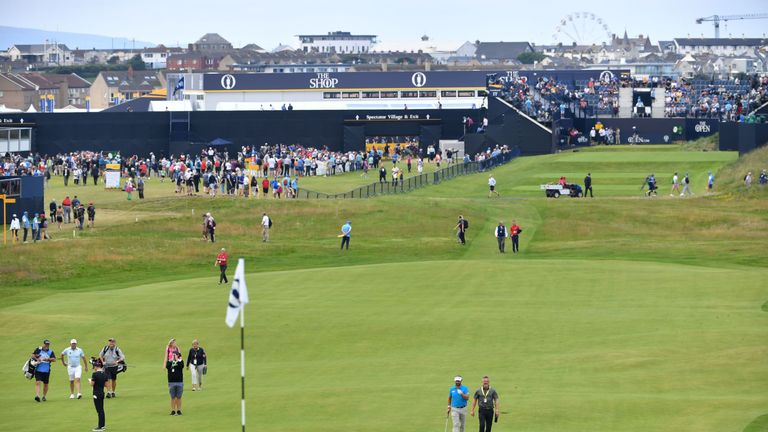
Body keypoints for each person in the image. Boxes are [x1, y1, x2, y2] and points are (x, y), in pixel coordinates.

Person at [89, 358, 108, 431]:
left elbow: (92, 384)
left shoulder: (95, 374)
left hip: (96, 394)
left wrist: (90, 381)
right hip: (102, 393)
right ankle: (102, 425)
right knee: (102, 410)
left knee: (99, 410)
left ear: (96, 367)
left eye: (94, 367)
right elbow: (106, 385)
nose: (94, 368)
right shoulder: (104, 374)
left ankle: (100, 427)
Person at [166, 351, 185, 416]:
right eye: (173, 355)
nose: (174, 356)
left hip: (179, 381)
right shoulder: (169, 361)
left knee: (179, 397)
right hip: (171, 382)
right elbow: (167, 367)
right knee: (172, 397)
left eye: (175, 355)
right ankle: (173, 410)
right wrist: (171, 360)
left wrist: (177, 360)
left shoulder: (180, 361)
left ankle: (179, 410)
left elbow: (181, 366)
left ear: (178, 355)